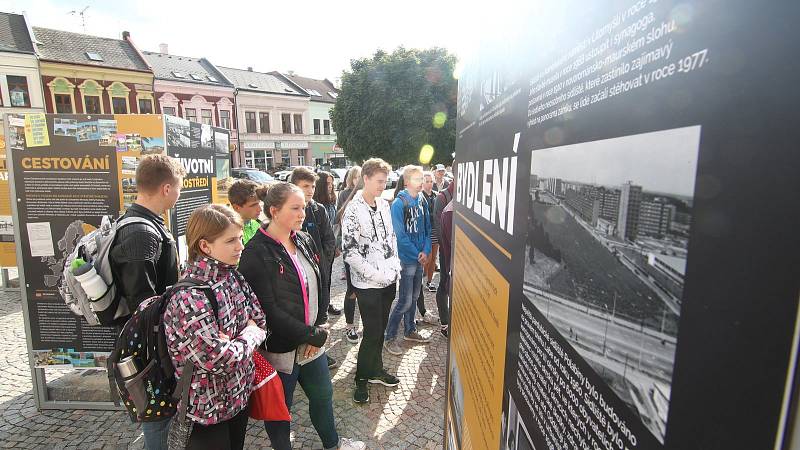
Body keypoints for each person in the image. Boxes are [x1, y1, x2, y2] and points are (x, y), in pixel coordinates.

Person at [239, 183, 365, 450]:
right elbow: (268, 311)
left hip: (311, 343)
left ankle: (333, 444)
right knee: (280, 411)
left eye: (304, 207)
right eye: (295, 208)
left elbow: (320, 284)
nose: (302, 213)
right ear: (274, 211)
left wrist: (318, 325)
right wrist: (313, 334)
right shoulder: (255, 252)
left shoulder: (304, 239)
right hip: (281, 349)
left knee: (323, 394)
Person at [162, 205, 267, 450]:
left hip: (237, 399)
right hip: (205, 413)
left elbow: (260, 318)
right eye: (231, 240)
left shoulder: (232, 276)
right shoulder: (189, 298)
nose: (240, 246)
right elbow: (220, 360)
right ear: (205, 246)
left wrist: (235, 341)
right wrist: (249, 335)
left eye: (240, 238)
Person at [109, 154, 185, 450]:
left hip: (153, 341)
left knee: (162, 415)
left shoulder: (145, 223)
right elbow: (143, 302)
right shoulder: (140, 232)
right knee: (157, 416)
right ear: (167, 188)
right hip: (148, 348)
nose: (178, 195)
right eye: (178, 187)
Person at [341, 158, 402, 404]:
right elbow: (350, 252)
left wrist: (395, 266)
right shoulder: (353, 211)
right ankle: (361, 379)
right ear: (365, 179)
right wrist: (375, 274)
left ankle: (376, 370)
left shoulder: (384, 205)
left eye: (385, 181)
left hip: (388, 280)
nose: (382, 186)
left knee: (380, 330)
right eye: (378, 181)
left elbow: (391, 239)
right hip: (367, 284)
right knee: (372, 332)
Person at [289, 169, 341, 370]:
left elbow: (329, 239)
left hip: (319, 273)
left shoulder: (318, 210)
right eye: (305, 186)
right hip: (296, 274)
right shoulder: (288, 209)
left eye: (312, 186)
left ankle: (319, 351)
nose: (310, 190)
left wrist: (321, 264)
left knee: (320, 312)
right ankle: (296, 350)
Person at [384, 165, 432, 356]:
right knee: (404, 300)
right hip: (407, 259)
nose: (420, 182)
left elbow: (429, 228)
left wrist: (426, 250)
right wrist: (417, 253)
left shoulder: (422, 199)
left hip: (420, 258)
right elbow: (399, 235)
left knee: (414, 297)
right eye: (416, 179)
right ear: (406, 181)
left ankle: (410, 330)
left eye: (422, 179)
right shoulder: (398, 204)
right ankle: (390, 336)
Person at [335, 166, 362, 343]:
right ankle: (350, 325)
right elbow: (339, 218)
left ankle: (361, 323)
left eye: (361, 177)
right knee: (352, 290)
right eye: (356, 177)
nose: (359, 180)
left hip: (366, 250)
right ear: (350, 179)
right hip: (350, 247)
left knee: (364, 289)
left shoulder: (369, 195)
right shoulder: (345, 194)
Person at [433, 171, 456, 337]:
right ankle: (445, 322)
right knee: (444, 283)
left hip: (457, 254)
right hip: (446, 250)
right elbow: (439, 229)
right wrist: (448, 255)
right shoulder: (442, 198)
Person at [228, 179, 263, 245]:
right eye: (253, 205)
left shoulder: (258, 225)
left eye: (259, 203)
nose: (260, 209)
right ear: (236, 207)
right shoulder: (228, 232)